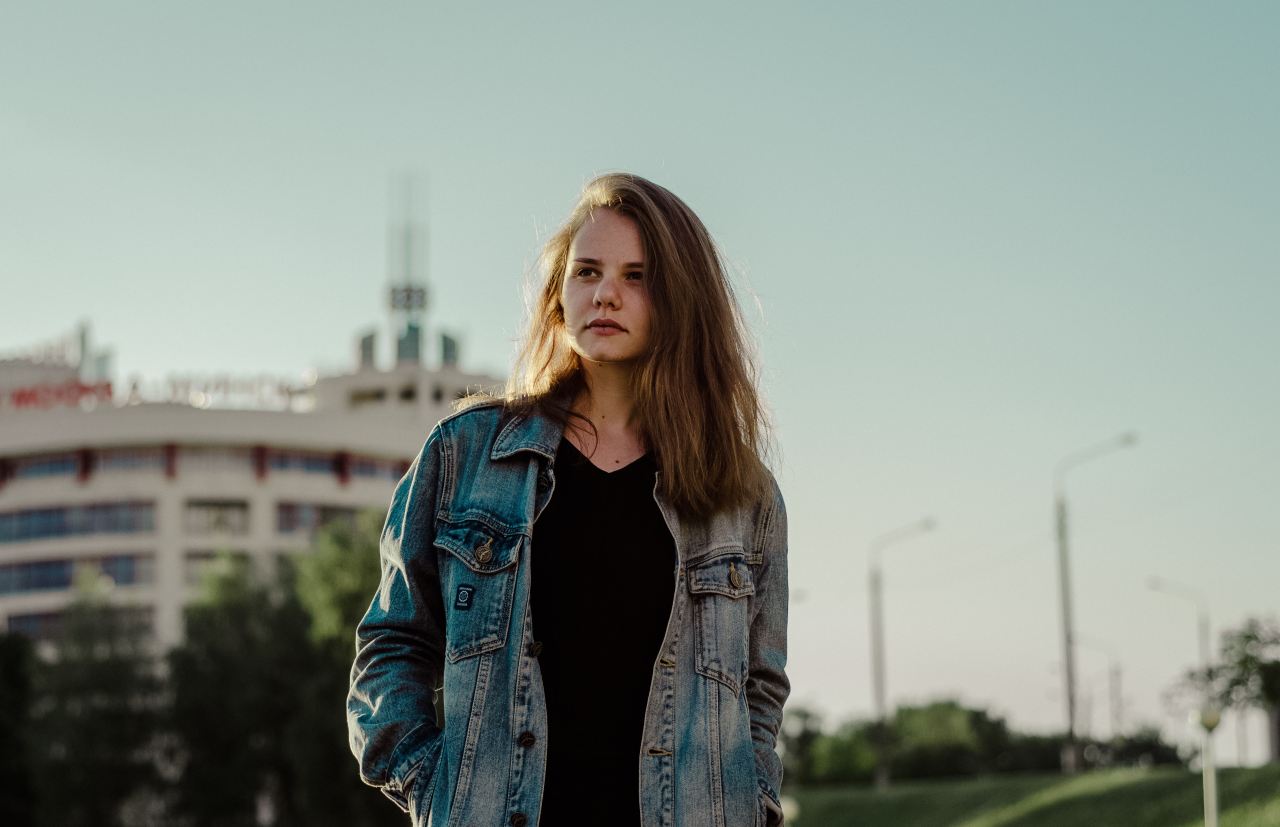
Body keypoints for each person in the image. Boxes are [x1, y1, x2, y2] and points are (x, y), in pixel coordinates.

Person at [347, 172, 790, 827]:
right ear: (558, 294)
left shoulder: (741, 492)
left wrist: (751, 804)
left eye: (637, 276)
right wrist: (431, 785)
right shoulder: (465, 455)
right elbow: (391, 644)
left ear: (681, 300)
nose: (606, 292)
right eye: (587, 271)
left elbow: (759, 686)